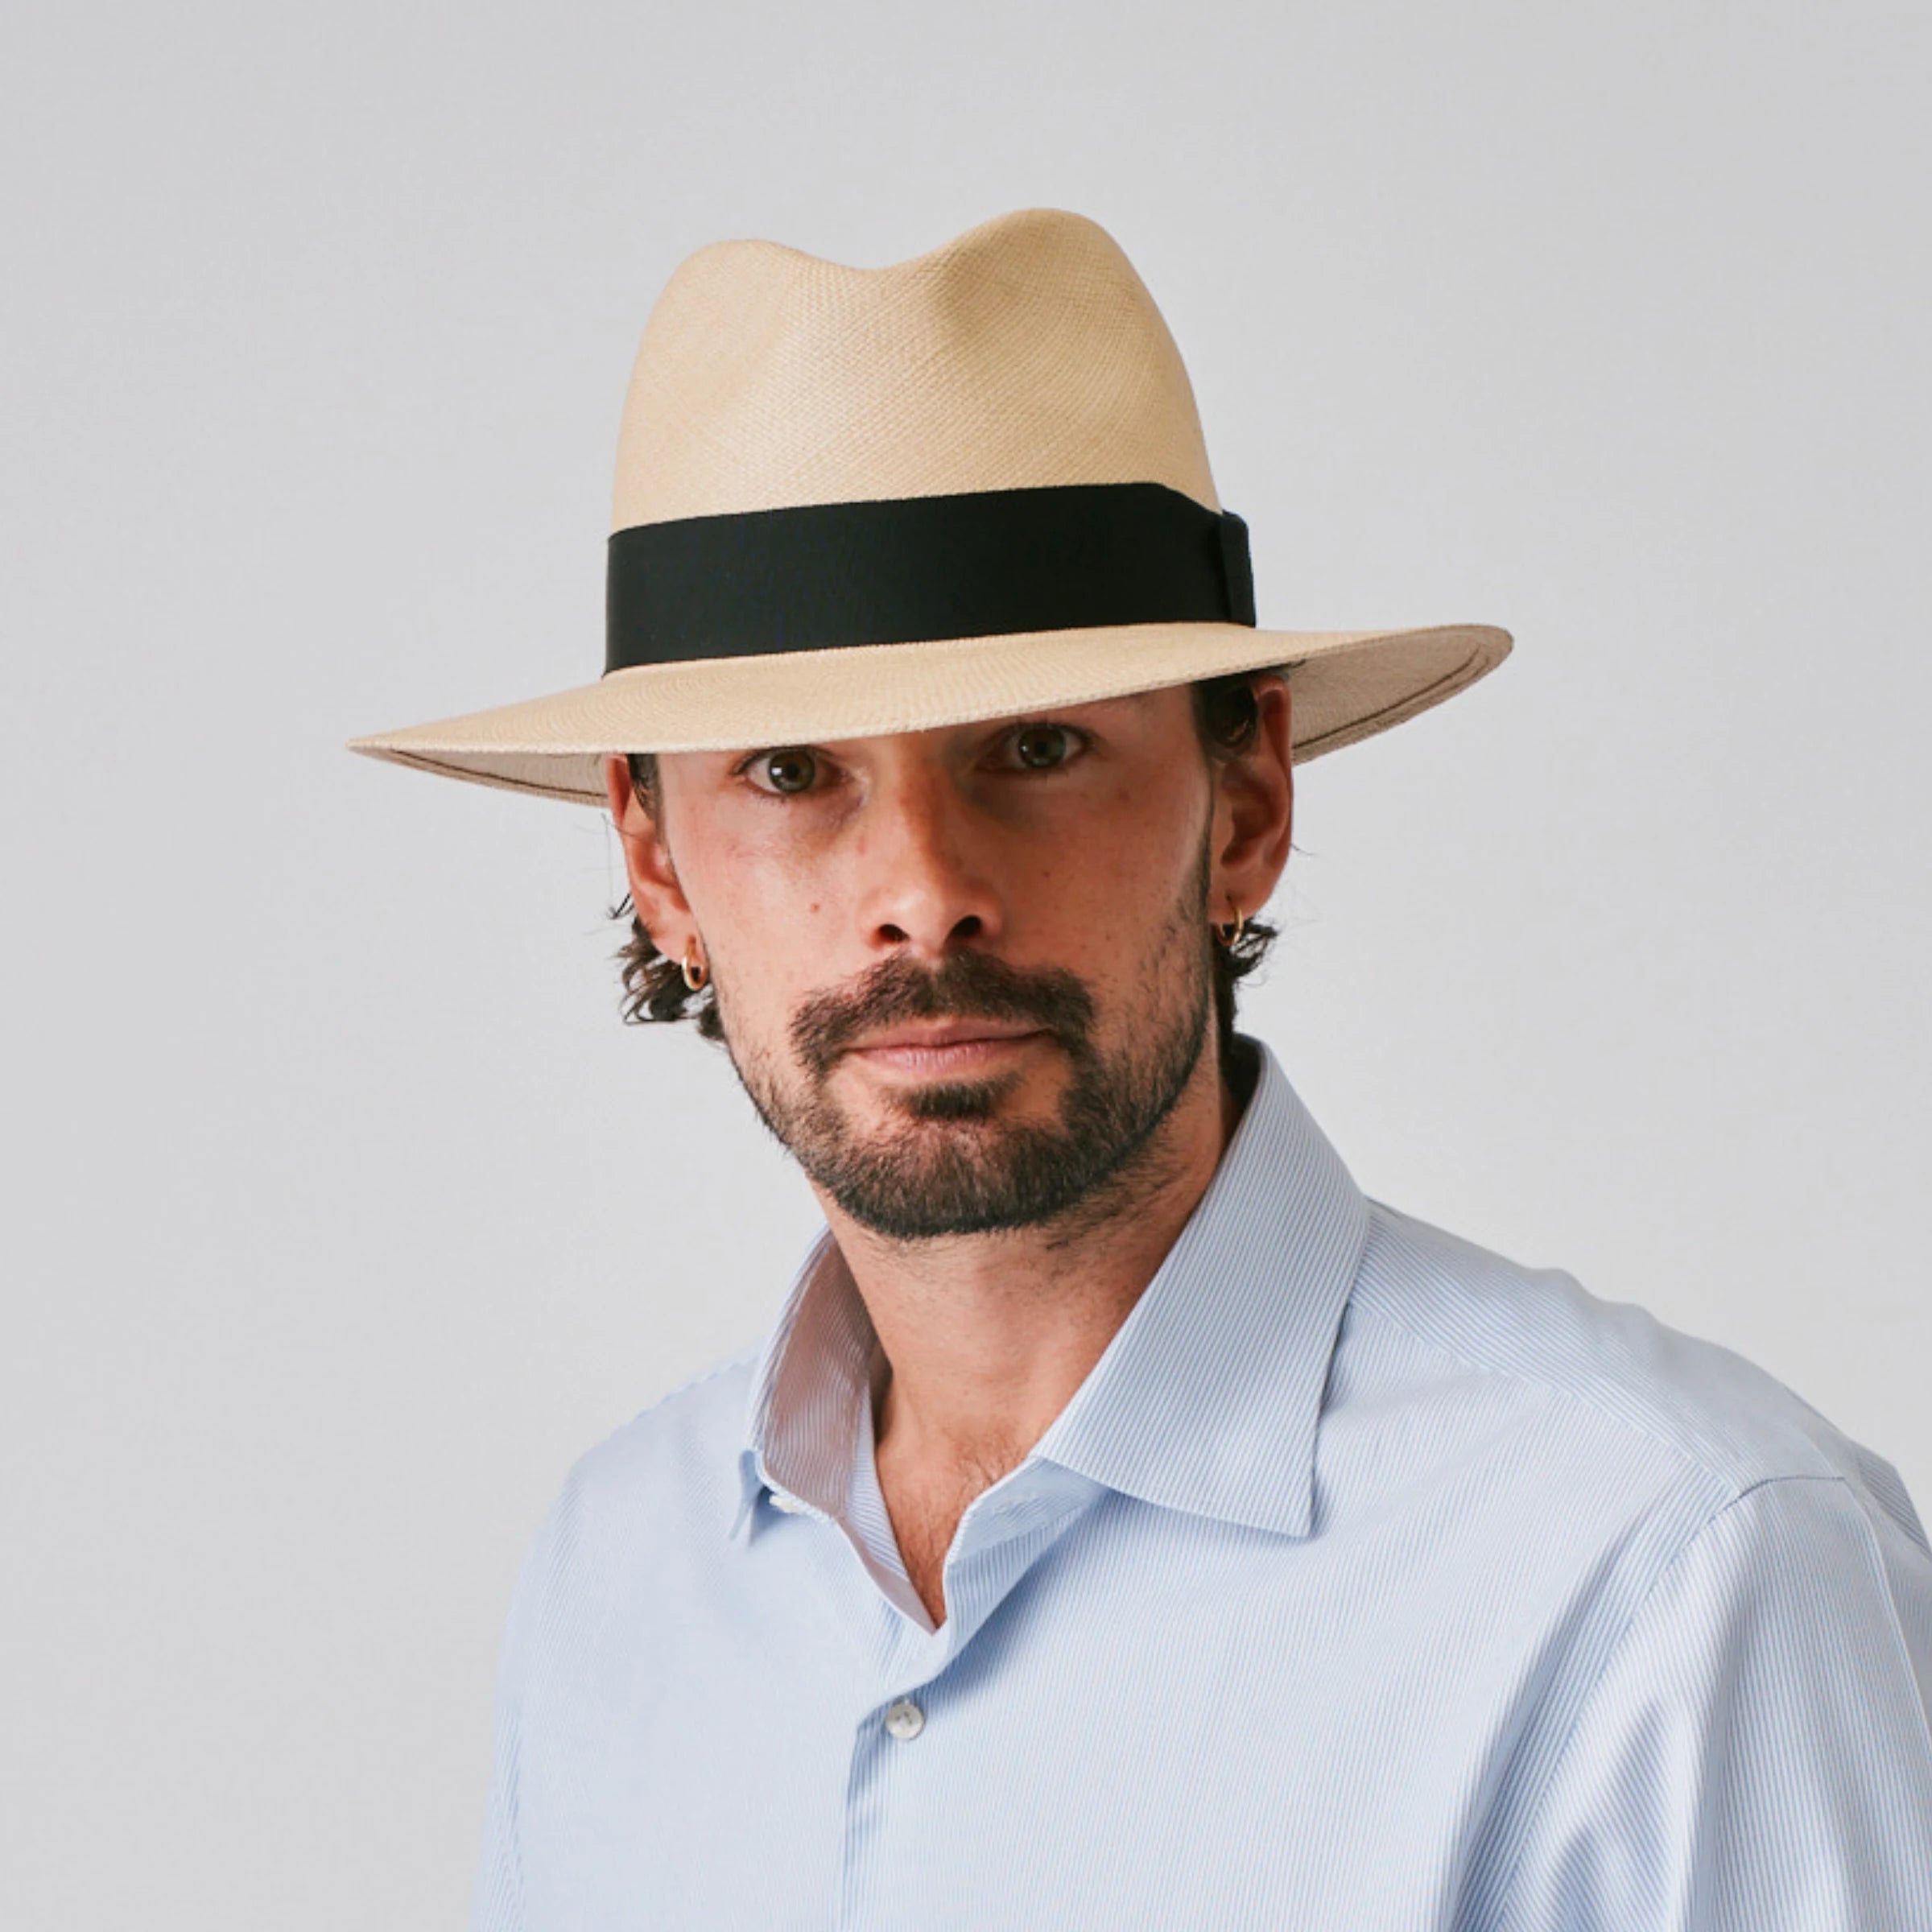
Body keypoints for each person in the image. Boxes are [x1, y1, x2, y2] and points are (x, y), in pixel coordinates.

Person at [351, 208, 1932, 1930]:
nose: (922, 893)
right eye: (795, 771)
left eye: (1036, 749)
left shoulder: (1673, 1578)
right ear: (660, 868)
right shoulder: (619, 1581)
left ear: (1243, 805)